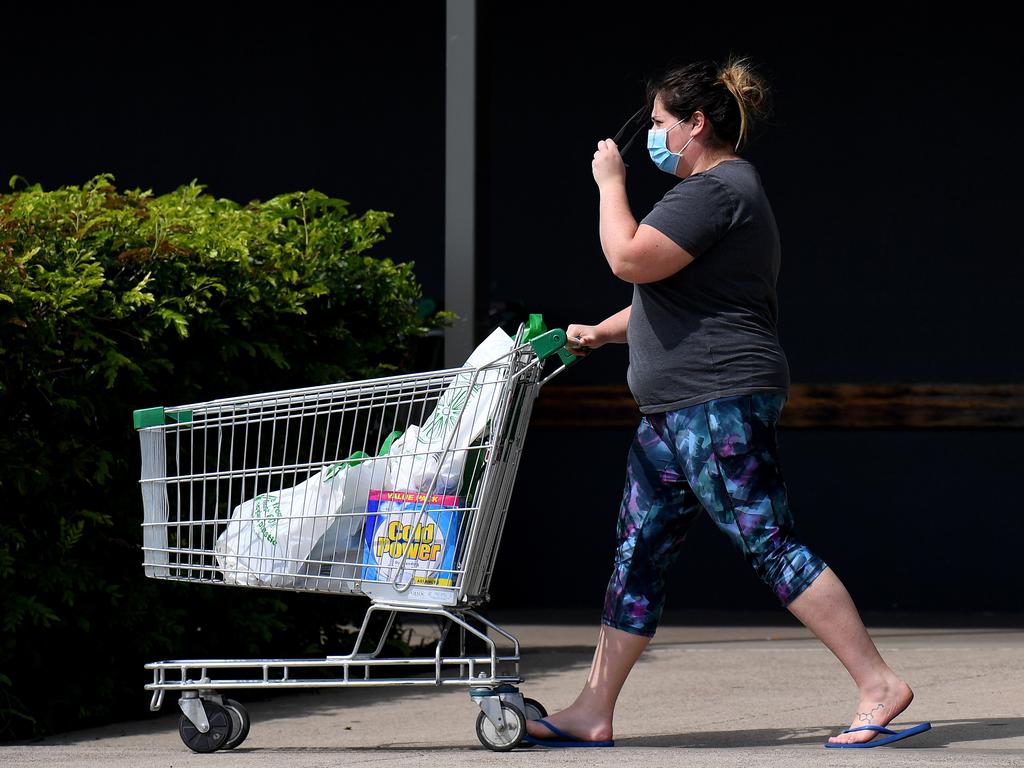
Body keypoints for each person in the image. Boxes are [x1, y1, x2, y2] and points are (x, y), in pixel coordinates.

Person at [524, 56, 924, 749]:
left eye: (658, 123)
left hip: (716, 401)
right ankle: (593, 709)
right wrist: (602, 331)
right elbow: (664, 295)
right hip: (674, 410)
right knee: (637, 553)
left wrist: (609, 183)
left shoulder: (715, 189)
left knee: (769, 541)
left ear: (696, 124)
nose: (652, 136)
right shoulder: (712, 195)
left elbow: (629, 258)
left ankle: (878, 684)